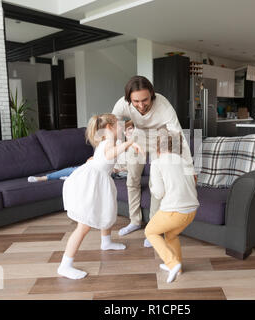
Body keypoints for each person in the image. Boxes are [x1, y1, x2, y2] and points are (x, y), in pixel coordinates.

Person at [112, 75, 195, 247]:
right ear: (129, 99)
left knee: (157, 185)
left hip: (160, 139)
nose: (141, 105)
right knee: (132, 180)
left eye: (145, 100)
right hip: (137, 138)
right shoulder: (122, 104)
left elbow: (179, 138)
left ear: (152, 94)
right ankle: (135, 221)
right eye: (136, 101)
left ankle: (153, 227)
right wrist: (118, 146)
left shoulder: (164, 107)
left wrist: (191, 169)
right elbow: (114, 123)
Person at [58, 113, 143, 280]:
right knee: (84, 226)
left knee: (106, 210)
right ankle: (65, 265)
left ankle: (106, 241)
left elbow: (107, 158)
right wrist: (130, 142)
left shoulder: (108, 139)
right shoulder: (110, 142)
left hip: (99, 179)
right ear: (110, 128)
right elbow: (110, 154)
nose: (123, 127)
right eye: (119, 125)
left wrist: (136, 122)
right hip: (90, 184)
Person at [145, 131, 199, 283]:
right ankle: (178, 267)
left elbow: (159, 192)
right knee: (171, 235)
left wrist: (152, 188)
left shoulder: (157, 163)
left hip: (174, 211)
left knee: (150, 232)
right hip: (192, 210)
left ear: (157, 148)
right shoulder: (186, 162)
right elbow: (193, 183)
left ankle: (172, 263)